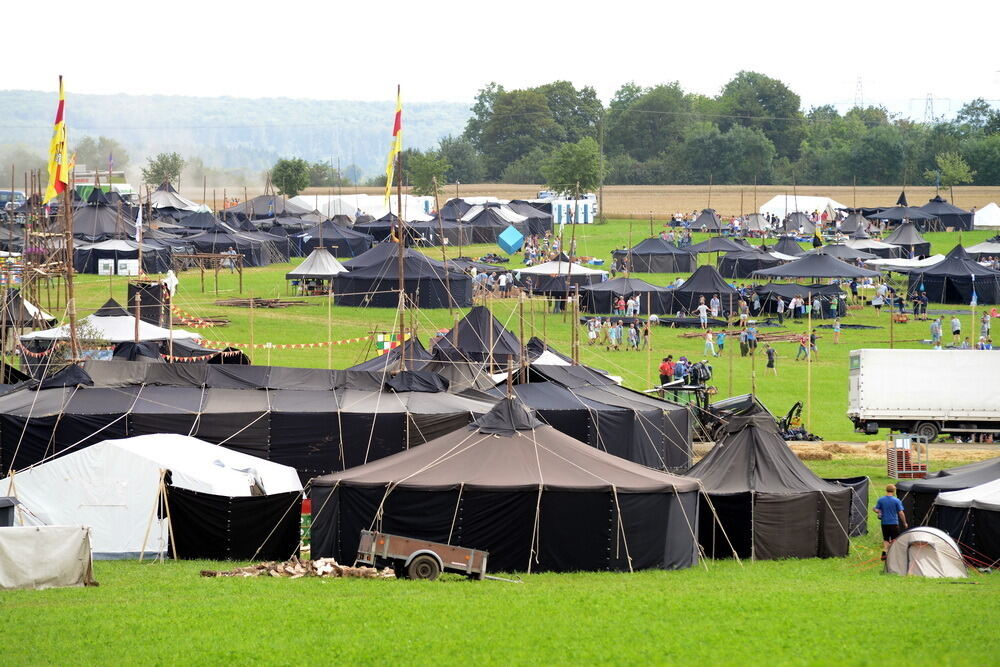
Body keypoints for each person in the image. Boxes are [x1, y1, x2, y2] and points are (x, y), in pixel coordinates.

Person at [874, 484, 908, 561]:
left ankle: (884, 552)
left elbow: (876, 509)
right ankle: (892, 555)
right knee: (894, 539)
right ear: (894, 491)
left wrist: (876, 510)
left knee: (886, 539)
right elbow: (901, 513)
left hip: (884, 523)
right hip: (894, 523)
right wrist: (904, 523)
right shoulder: (897, 501)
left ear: (886, 490)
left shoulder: (881, 500)